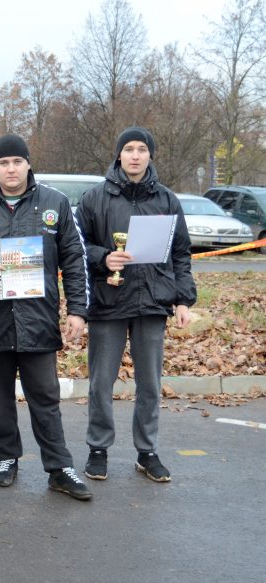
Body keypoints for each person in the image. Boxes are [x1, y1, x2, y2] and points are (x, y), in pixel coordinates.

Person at [0, 134, 92, 501]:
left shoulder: (54, 203)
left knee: (45, 396)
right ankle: (7, 458)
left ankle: (59, 467)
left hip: (38, 319)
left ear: (28, 164)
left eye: (17, 162)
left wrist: (78, 310)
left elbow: (73, 257)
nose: (10, 168)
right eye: (3, 162)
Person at [76, 127, 196, 483]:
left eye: (142, 149)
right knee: (101, 381)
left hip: (152, 302)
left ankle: (147, 452)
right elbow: (77, 247)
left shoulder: (167, 200)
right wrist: (103, 258)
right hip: (108, 300)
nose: (135, 155)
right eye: (128, 149)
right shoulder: (94, 198)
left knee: (149, 383)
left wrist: (183, 299)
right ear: (118, 155)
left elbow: (181, 253)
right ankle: (98, 449)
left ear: (150, 155)